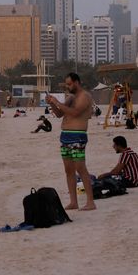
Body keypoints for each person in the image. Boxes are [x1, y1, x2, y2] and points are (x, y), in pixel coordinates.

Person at [45, 73, 96, 211]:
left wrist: (56, 102)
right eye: (66, 84)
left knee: (80, 168)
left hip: (78, 135)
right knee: (68, 170)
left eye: (69, 84)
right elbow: (59, 113)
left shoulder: (85, 96)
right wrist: (52, 104)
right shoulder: (71, 97)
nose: (67, 86)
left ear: (77, 82)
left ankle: (90, 202)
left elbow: (74, 113)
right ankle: (74, 201)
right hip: (65, 135)